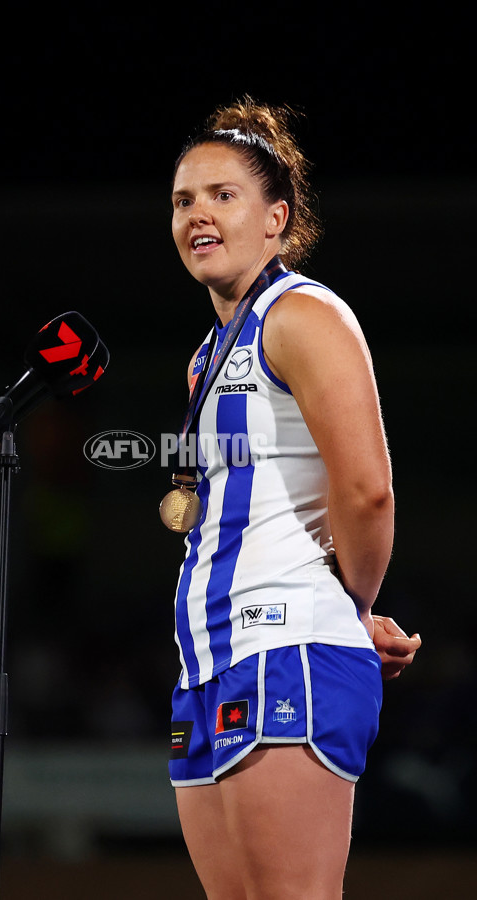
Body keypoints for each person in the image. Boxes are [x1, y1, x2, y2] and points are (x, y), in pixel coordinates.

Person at [165, 97, 421, 900]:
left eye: (222, 195)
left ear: (276, 218)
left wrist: (355, 604)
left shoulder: (301, 315)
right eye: (182, 200)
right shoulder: (207, 358)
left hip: (287, 649)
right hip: (209, 662)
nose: (198, 213)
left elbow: (367, 491)